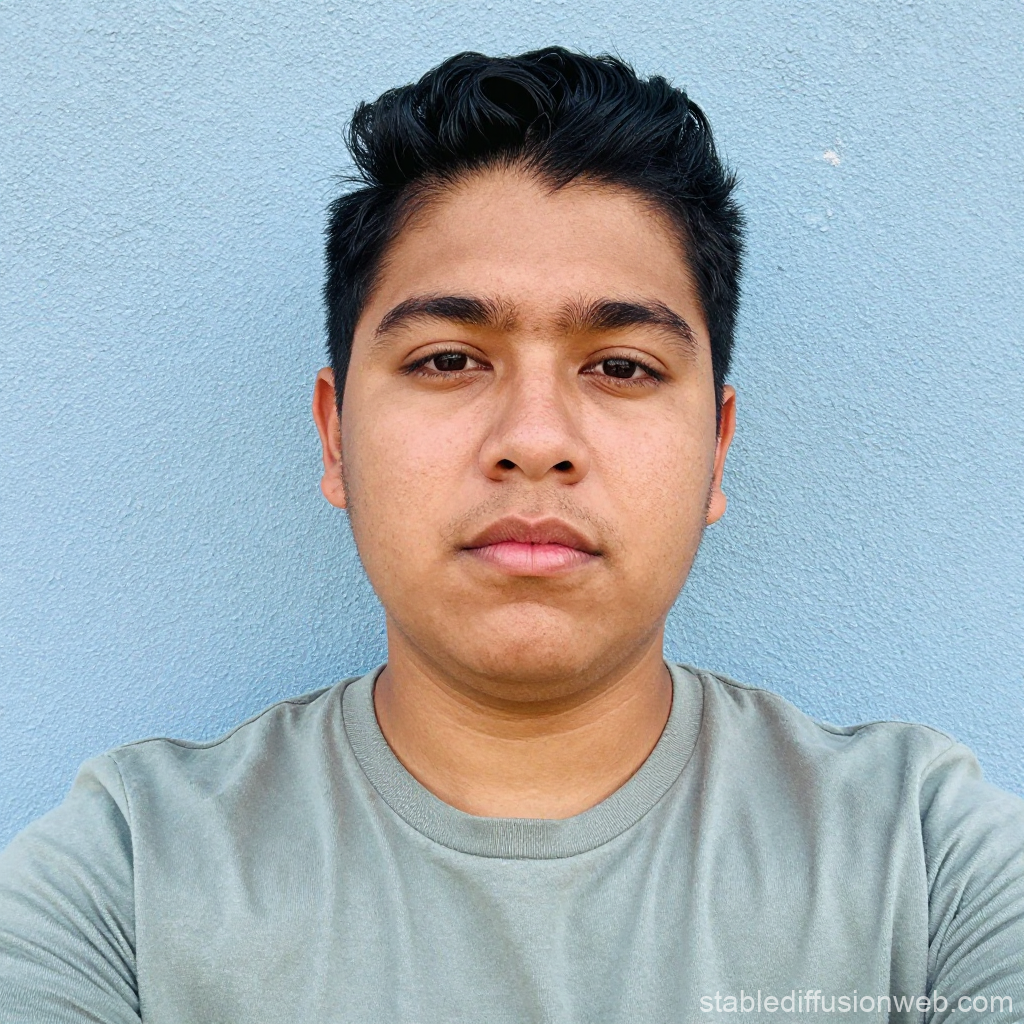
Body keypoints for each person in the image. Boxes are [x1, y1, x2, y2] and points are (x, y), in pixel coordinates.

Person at [1, 47, 1022, 1024]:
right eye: (448, 359)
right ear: (336, 436)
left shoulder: (924, 864)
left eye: (620, 366)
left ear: (715, 449)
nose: (534, 441)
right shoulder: (125, 880)